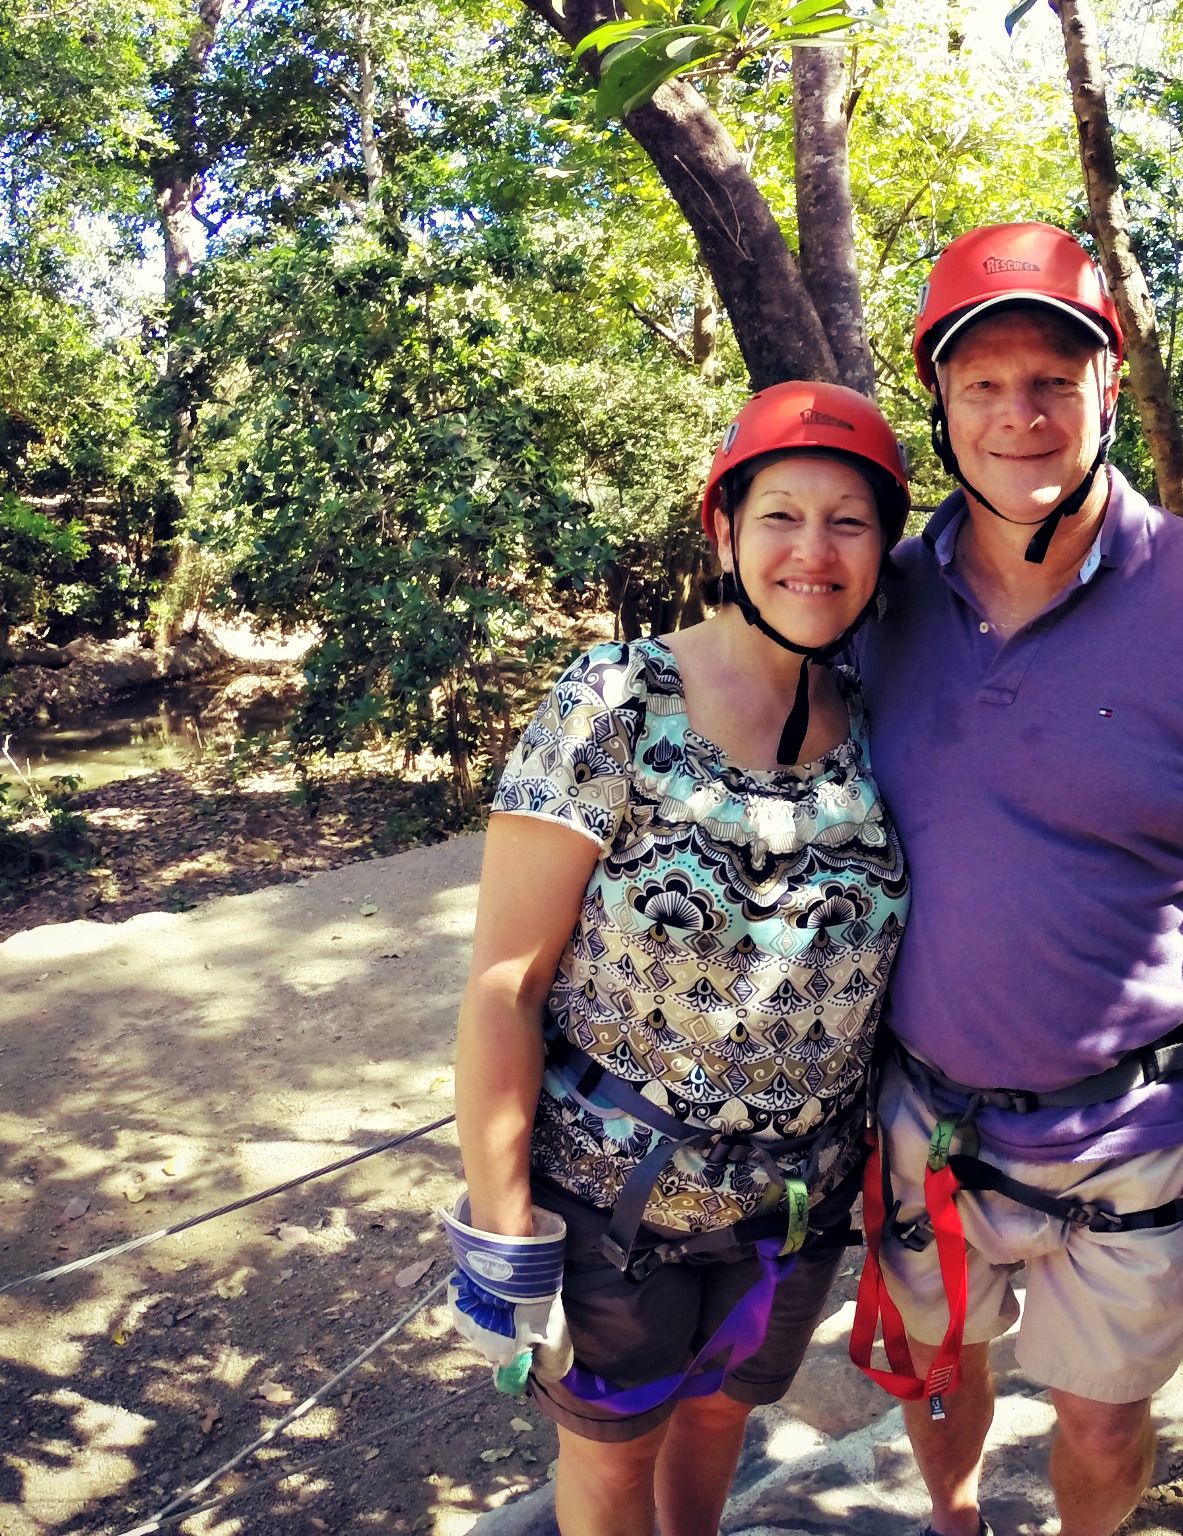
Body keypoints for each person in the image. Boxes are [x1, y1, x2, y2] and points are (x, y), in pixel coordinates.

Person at [847, 222, 1183, 1536]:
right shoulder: (873, 604)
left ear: (1106, 387)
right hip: (925, 1121)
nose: (1018, 416)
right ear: (940, 403)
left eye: (1052, 381)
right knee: (935, 1366)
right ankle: (953, 1524)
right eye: (982, 383)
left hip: (1134, 1131)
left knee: (1106, 1419)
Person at [444, 382, 914, 1536]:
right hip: (610, 1210)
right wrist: (500, 1229)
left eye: (848, 522)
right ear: (723, 530)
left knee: (715, 1429)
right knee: (612, 1469)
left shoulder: (880, 718)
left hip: (792, 1209)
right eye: (780, 515)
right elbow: (505, 984)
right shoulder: (615, 700)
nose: (813, 551)